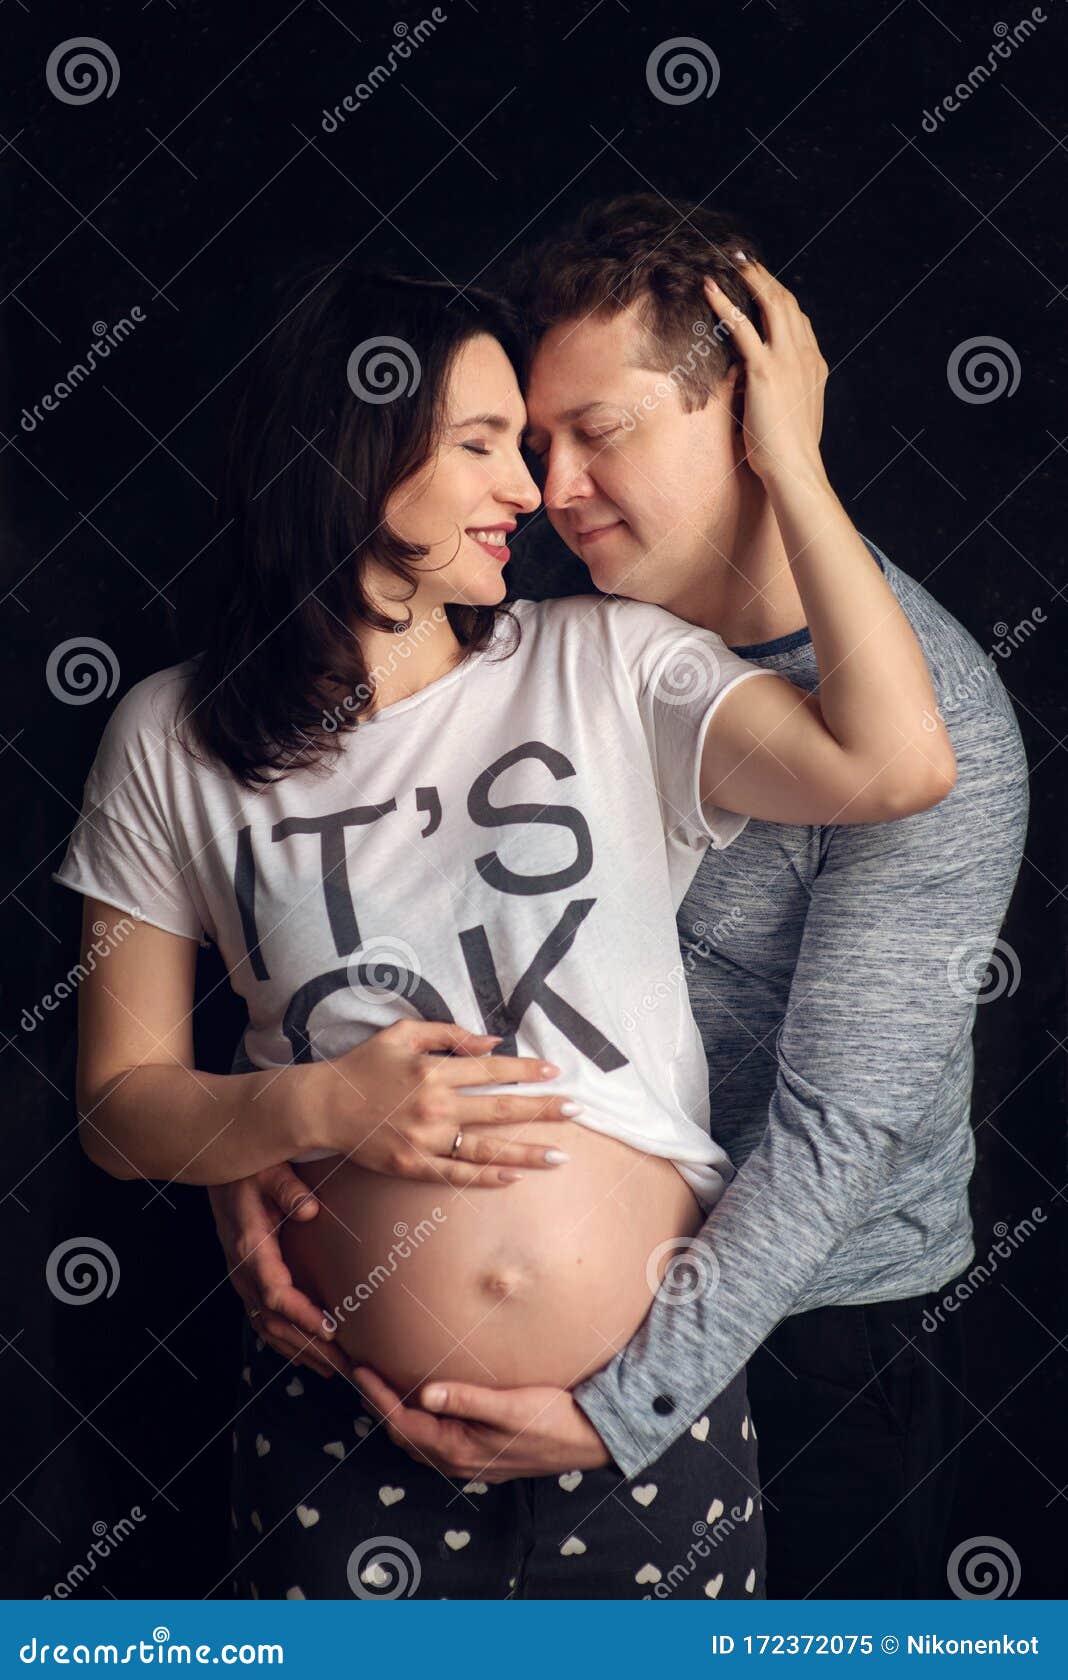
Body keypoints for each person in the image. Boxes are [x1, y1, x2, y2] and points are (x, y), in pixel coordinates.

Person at [53, 249, 954, 1599]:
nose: (530, 491)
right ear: (354, 452)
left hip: (651, 1406)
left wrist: (795, 466)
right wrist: (316, 1107)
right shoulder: (166, 738)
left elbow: (895, 764)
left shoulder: (607, 659)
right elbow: (119, 1111)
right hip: (341, 1412)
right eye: (485, 444)